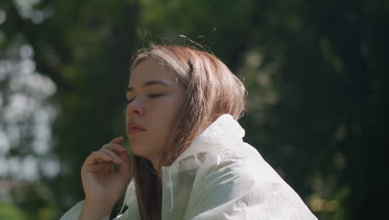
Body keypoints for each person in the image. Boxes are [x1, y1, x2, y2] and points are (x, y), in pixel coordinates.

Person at [60, 45, 317, 220]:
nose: (133, 108)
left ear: (201, 104)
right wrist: (97, 206)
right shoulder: (151, 199)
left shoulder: (238, 178)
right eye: (131, 97)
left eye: (155, 94)